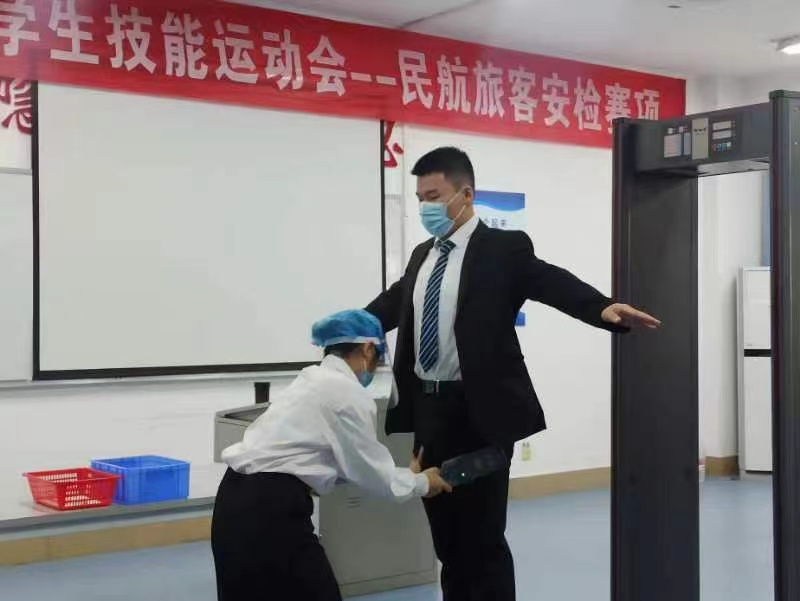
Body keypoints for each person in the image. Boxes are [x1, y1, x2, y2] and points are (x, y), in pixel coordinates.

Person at [365, 147, 661, 601]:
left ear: (466, 194)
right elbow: (394, 301)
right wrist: (352, 329)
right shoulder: (423, 254)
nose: (425, 207)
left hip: (480, 412)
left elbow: (550, 281)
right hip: (430, 410)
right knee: (447, 539)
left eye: (434, 197)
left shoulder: (503, 249)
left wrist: (601, 307)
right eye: (420, 198)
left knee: (482, 541)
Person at [210, 309, 452, 601]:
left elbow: (334, 463)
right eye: (377, 357)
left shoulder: (310, 379)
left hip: (232, 500)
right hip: (271, 511)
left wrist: (403, 477)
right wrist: (423, 482)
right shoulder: (347, 393)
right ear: (367, 349)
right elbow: (374, 475)